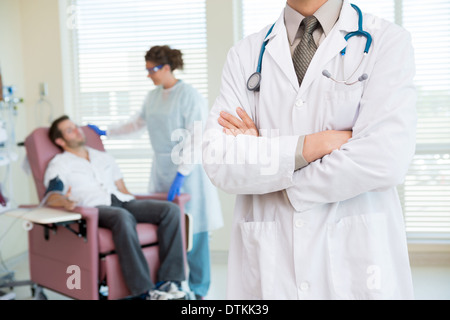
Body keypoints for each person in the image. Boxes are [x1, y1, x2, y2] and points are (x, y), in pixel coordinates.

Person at [202, 0, 416, 299]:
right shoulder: (245, 54)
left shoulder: (386, 40)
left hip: (356, 259)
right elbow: (221, 161)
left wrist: (271, 165)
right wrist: (310, 146)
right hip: (270, 266)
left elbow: (384, 159)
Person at [88, 45, 223, 300]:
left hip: (189, 170)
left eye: (153, 69)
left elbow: (196, 138)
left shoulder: (190, 96)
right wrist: (107, 131)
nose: (149, 74)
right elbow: (136, 123)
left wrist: (182, 173)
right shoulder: (152, 97)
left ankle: (198, 291)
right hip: (162, 168)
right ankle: (169, 285)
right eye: (147, 69)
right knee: (168, 227)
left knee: (194, 230)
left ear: (168, 67)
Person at [43, 115, 187, 300]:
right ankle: (144, 291)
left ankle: (169, 281)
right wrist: (65, 202)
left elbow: (123, 189)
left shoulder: (103, 157)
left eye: (76, 126)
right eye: (70, 130)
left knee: (170, 210)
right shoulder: (59, 164)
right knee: (122, 216)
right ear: (60, 141)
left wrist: (140, 204)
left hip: (122, 200)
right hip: (95, 208)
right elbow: (52, 195)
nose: (78, 130)